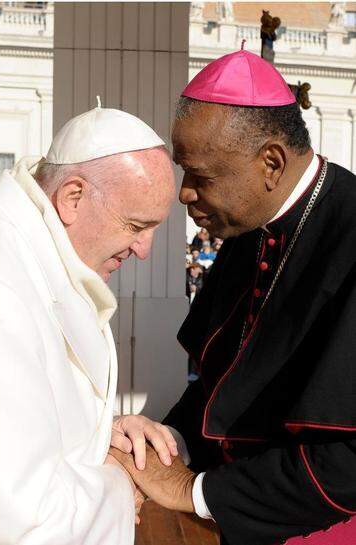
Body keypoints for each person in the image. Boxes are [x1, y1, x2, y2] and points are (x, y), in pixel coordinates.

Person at [110, 49, 356, 545]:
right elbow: (221, 386)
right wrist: (163, 443)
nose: (184, 194)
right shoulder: (248, 229)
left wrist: (192, 490)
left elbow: (346, 464)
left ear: (271, 162)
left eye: (201, 176)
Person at [0, 104, 176, 545]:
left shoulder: (38, 243)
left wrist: (106, 430)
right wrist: (119, 482)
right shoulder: (1, 283)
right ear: (72, 197)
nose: (144, 250)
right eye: (135, 226)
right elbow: (22, 518)